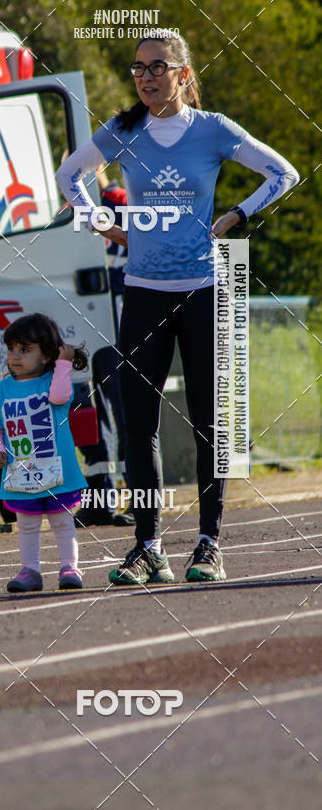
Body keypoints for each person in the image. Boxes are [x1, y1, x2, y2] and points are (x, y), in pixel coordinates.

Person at [56, 31, 299, 585]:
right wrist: (102, 224)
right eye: (137, 68)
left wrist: (235, 216)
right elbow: (69, 175)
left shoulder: (212, 129)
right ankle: (148, 547)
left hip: (206, 290)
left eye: (157, 67)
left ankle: (210, 542)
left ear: (183, 74)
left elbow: (284, 173)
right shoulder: (123, 130)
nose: (144, 77)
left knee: (213, 423)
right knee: (139, 425)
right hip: (142, 293)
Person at [0, 313, 88, 592]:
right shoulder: (4, 388)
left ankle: (70, 567)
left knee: (61, 521)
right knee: (27, 525)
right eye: (11, 349)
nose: (15, 356)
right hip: (20, 472)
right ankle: (30, 571)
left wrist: (64, 364)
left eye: (25, 349)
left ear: (46, 356)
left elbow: (59, 397)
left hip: (58, 469)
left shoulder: (53, 381)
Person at [74, 165, 135, 528]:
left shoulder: (118, 201)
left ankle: (137, 498)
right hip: (85, 317)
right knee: (89, 412)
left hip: (117, 320)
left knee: (124, 409)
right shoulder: (80, 205)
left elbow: (120, 204)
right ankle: (100, 497)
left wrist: (100, 180)